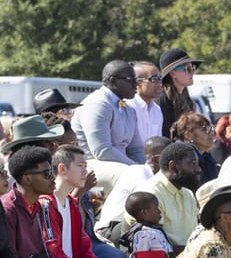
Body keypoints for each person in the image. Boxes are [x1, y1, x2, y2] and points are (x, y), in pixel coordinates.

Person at [40, 145, 121, 258]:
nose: (86, 171)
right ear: (62, 168)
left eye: (86, 166)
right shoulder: (46, 203)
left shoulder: (72, 203)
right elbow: (54, 252)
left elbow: (85, 250)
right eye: (80, 166)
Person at [70, 60, 142, 196]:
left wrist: (147, 168)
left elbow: (136, 148)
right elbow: (102, 151)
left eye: (136, 79)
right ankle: (115, 217)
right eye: (130, 80)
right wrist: (137, 167)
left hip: (120, 163)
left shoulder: (129, 109)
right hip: (89, 164)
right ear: (113, 81)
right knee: (132, 176)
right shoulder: (97, 104)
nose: (135, 84)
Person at [122, 142, 201, 250]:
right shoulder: (149, 195)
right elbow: (152, 248)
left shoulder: (188, 193)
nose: (198, 169)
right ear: (173, 167)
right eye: (193, 164)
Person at [96, 136, 172, 242]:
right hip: (110, 231)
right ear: (156, 159)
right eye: (171, 158)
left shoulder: (160, 179)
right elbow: (145, 213)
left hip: (128, 228)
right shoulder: (138, 172)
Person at [158, 48, 202, 138]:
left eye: (193, 68)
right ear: (173, 73)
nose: (192, 73)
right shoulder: (162, 100)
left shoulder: (186, 98)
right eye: (188, 69)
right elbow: (165, 135)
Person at [170, 113, 219, 185]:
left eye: (211, 128)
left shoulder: (206, 156)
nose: (211, 133)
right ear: (188, 135)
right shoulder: (183, 158)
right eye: (205, 129)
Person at [128, 61, 164, 142]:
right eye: (154, 79)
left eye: (160, 79)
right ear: (137, 82)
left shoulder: (157, 110)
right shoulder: (127, 107)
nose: (160, 84)